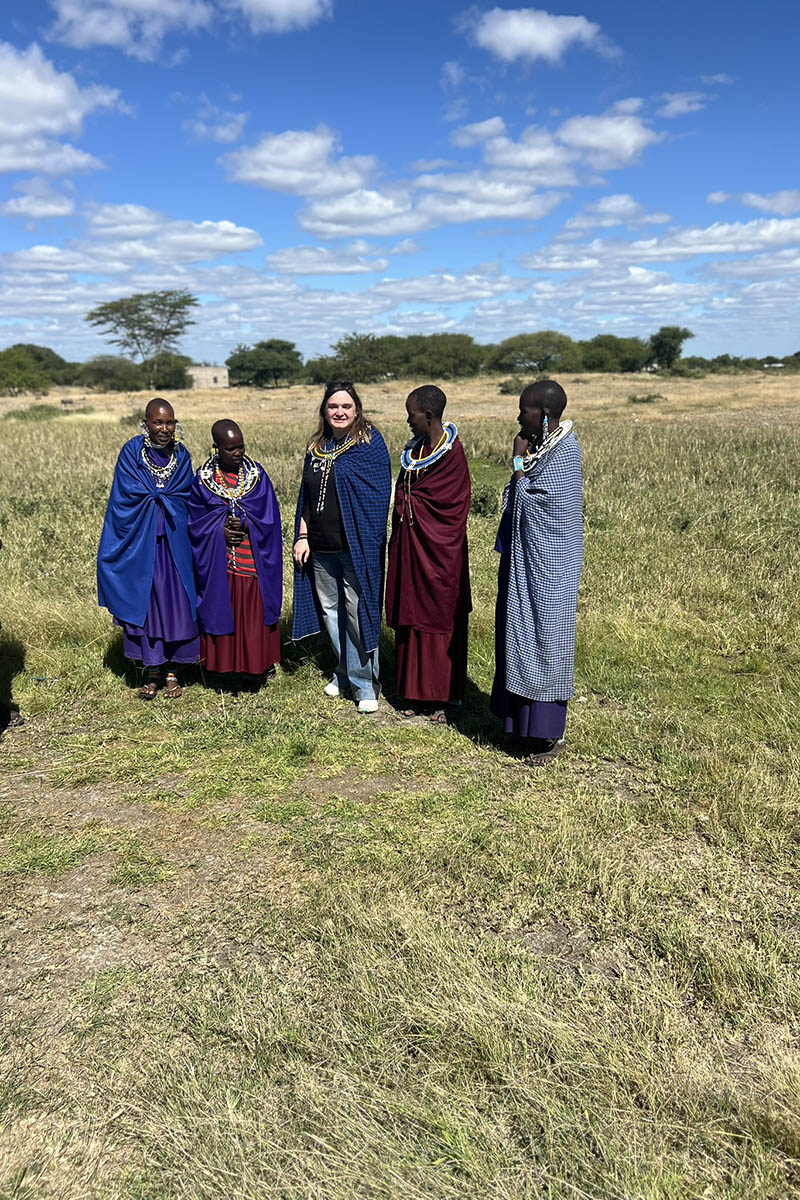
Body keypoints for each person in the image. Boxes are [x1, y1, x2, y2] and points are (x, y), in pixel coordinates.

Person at [491, 380, 583, 765]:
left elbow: (539, 503)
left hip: (551, 567)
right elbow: (519, 497)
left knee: (547, 640)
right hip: (525, 561)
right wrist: (521, 470)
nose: (518, 417)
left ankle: (550, 736)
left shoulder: (565, 452)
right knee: (519, 635)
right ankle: (520, 728)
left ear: (543, 414)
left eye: (524, 410)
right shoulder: (543, 448)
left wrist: (516, 462)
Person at [292, 382, 392, 714]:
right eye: (333, 406)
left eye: (346, 406)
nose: (339, 412)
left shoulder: (368, 443)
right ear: (324, 410)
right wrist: (302, 536)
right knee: (331, 613)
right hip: (320, 546)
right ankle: (344, 671)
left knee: (356, 613)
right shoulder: (316, 446)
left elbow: (377, 497)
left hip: (356, 546)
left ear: (357, 410)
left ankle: (365, 683)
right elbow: (306, 498)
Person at [97, 397, 199, 699]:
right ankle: (152, 671)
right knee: (149, 608)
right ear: (146, 423)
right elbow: (125, 496)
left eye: (170, 422)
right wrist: (156, 496)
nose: (165, 428)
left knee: (175, 606)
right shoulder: (131, 452)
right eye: (158, 422)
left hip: (175, 545)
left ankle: (172, 670)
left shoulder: (182, 456)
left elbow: (187, 498)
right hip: (142, 545)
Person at [385, 385, 471, 723]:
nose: (408, 420)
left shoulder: (453, 455)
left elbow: (453, 507)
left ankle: (445, 698)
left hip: (440, 555)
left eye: (412, 414)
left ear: (430, 416)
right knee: (413, 611)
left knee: (440, 615)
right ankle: (414, 692)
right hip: (411, 549)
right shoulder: (416, 451)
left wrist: (414, 504)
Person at [188, 420, 282, 687]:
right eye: (230, 449)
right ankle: (225, 669)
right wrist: (219, 530)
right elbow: (195, 520)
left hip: (252, 559)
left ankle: (255, 667)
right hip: (221, 563)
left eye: (241, 447)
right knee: (225, 608)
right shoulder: (204, 480)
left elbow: (269, 516)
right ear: (215, 448)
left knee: (252, 613)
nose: (238, 453)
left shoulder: (256, 476)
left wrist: (246, 524)